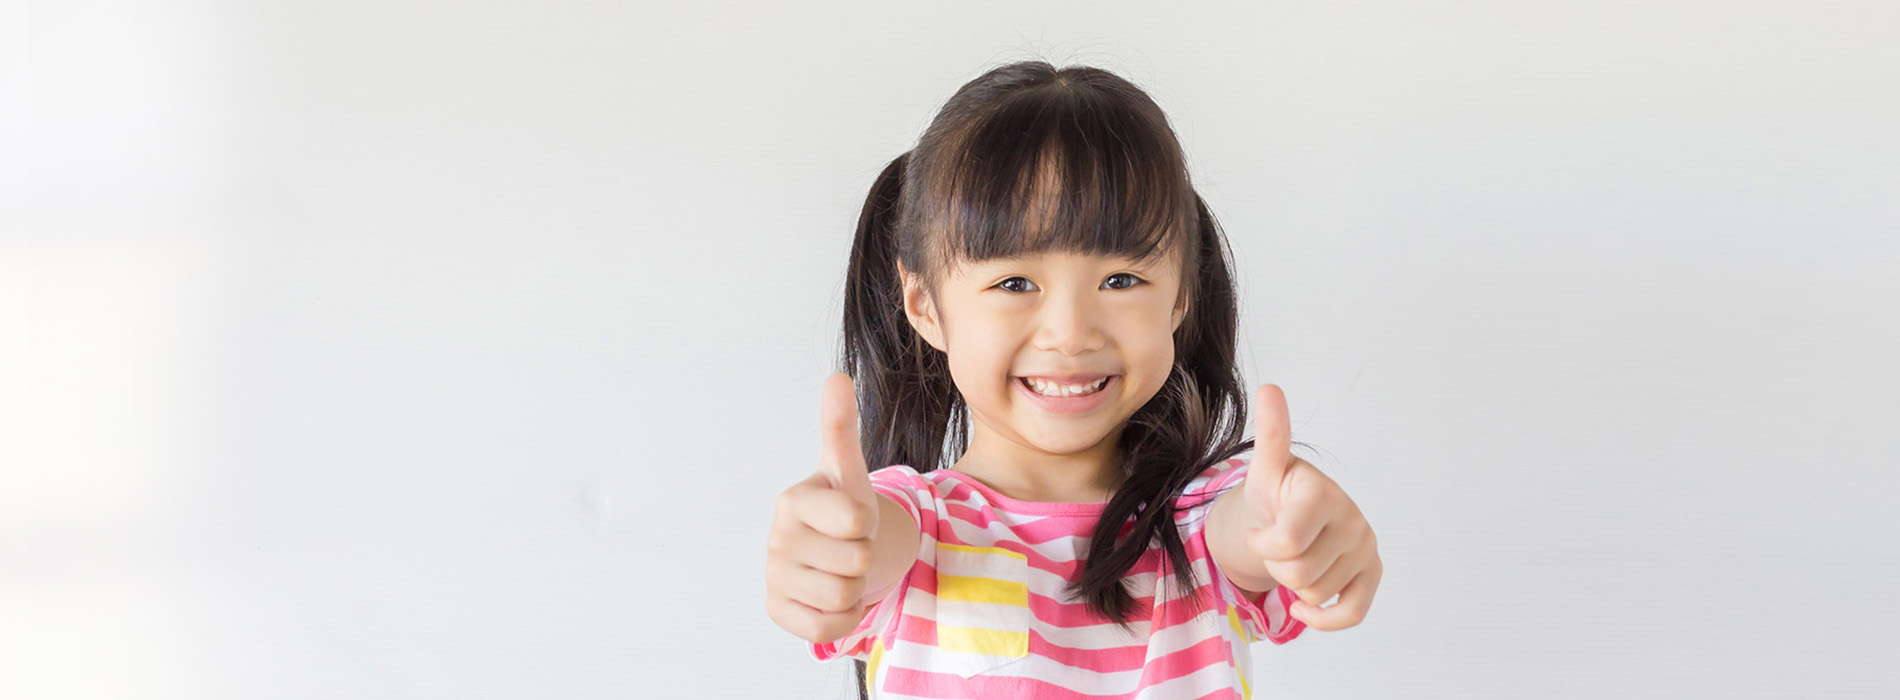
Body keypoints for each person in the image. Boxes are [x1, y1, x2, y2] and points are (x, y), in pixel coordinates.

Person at [764, 60, 1383, 699]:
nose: (1070, 332)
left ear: (1179, 300)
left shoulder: (1202, 526)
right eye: (1013, 283)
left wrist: (1292, 527)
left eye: (1121, 280)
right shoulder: (914, 530)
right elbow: (869, 546)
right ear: (924, 307)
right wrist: (828, 549)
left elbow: (1246, 531)